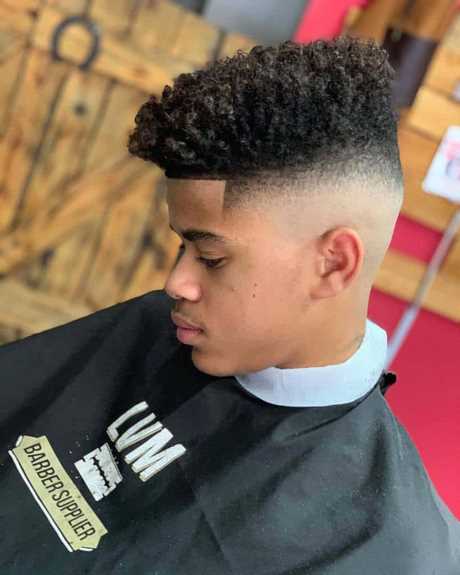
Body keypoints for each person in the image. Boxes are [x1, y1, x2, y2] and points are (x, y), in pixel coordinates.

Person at [0, 37, 459, 575]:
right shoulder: (153, 328)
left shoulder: (388, 548)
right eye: (181, 247)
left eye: (211, 258)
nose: (176, 283)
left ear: (333, 263)